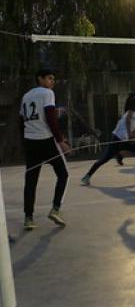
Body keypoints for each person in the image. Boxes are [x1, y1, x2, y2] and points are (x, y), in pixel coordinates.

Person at [20, 69, 70, 229]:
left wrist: (25, 140)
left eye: (53, 79)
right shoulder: (47, 93)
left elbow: (21, 120)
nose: (52, 81)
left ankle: (28, 218)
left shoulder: (26, 96)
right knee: (63, 173)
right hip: (45, 141)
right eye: (49, 78)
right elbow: (50, 117)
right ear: (39, 79)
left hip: (30, 141)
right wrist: (60, 140)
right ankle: (55, 209)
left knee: (31, 181)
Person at [80, 93, 135, 186]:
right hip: (118, 139)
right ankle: (87, 176)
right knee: (104, 159)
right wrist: (130, 136)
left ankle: (120, 153)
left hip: (123, 139)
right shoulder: (130, 112)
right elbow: (128, 122)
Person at [115, 77, 135, 164]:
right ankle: (121, 154)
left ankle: (121, 154)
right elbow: (127, 114)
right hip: (133, 123)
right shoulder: (132, 98)